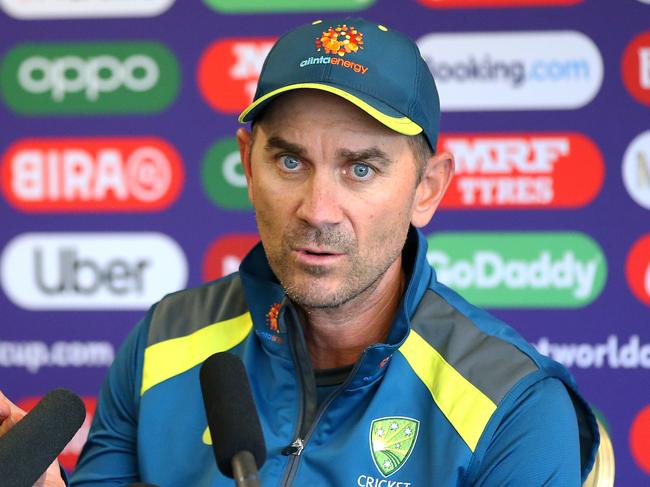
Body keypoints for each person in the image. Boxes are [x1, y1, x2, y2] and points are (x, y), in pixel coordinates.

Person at [2, 18, 598, 486]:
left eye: (360, 168)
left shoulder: (514, 406)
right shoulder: (164, 340)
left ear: (427, 188)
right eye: (291, 161)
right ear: (246, 163)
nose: (317, 208)